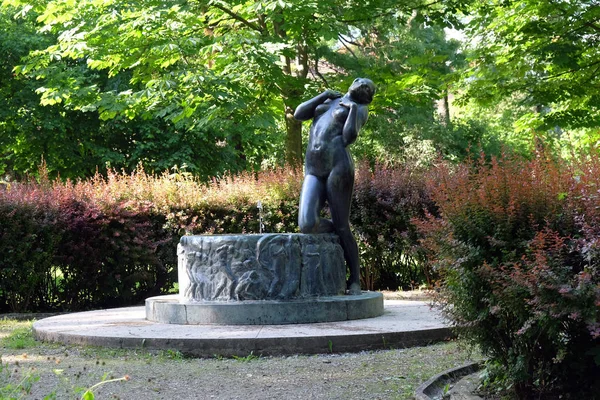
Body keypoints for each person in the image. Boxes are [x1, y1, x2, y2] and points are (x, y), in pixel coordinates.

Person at [294, 77, 375, 295]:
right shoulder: (331, 100)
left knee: (343, 226)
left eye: (367, 87)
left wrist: (351, 111)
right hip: (313, 168)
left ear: (368, 96)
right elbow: (299, 114)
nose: (361, 84)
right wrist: (322, 95)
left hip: (337, 167)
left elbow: (349, 137)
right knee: (306, 224)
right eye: (360, 81)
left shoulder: (360, 109)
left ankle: (355, 279)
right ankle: (333, 231)